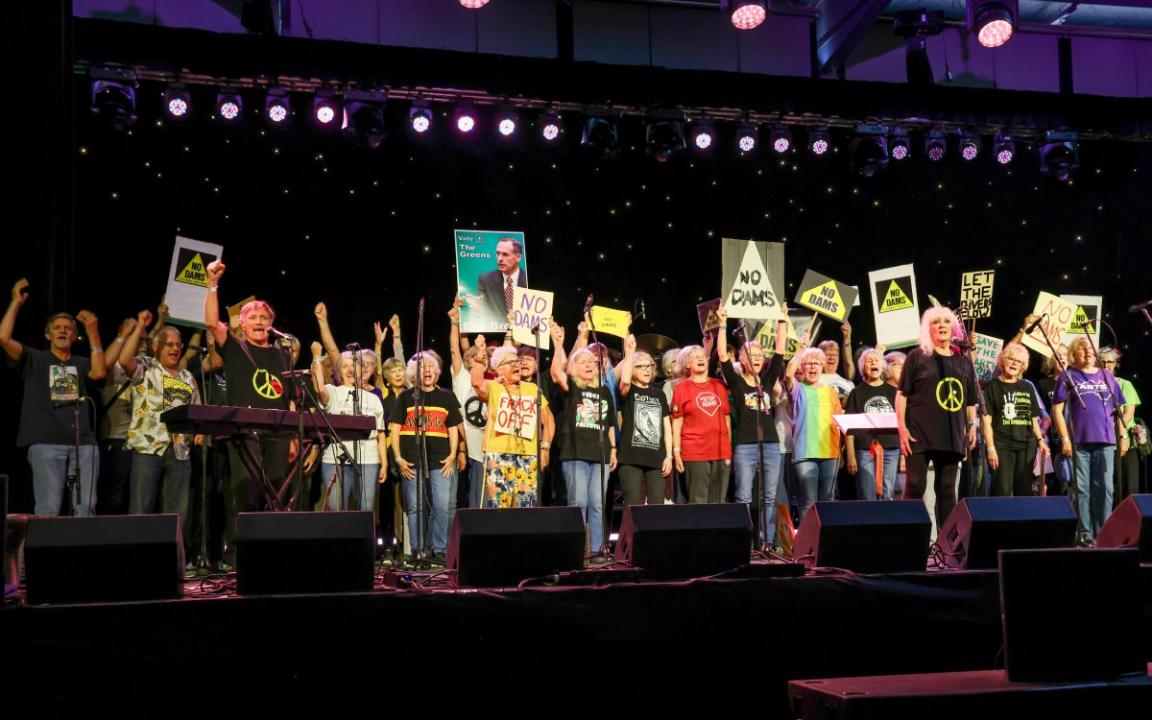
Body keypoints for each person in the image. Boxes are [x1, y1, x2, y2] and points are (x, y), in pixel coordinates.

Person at [203, 261, 295, 563]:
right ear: (242, 324)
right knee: (247, 493)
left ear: (271, 323)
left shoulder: (282, 354)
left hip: (279, 432)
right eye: (253, 317)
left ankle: (271, 553)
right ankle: (241, 555)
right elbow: (212, 323)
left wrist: (294, 437)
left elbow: (289, 397)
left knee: (276, 493)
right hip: (245, 431)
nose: (259, 321)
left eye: (264, 317)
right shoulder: (235, 348)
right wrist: (212, 284)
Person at [1, 277, 106, 516]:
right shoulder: (35, 359)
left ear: (73, 336)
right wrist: (16, 302)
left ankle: (81, 552)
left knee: (86, 508)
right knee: (48, 510)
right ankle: (44, 555)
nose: (62, 330)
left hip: (83, 445)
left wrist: (93, 332)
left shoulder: (80, 363)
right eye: (57, 327)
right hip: (46, 443)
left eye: (68, 328)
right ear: (47, 335)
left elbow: (99, 372)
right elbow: (3, 338)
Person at [897, 306, 979, 528]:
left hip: (951, 433)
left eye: (946, 321)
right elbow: (901, 394)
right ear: (927, 328)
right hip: (919, 432)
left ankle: (947, 547)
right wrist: (902, 429)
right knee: (915, 485)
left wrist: (971, 426)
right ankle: (908, 538)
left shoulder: (963, 360)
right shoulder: (917, 356)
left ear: (953, 327)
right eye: (935, 322)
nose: (941, 325)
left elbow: (969, 400)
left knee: (946, 490)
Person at [119, 312, 202, 532]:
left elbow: (197, 411)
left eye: (178, 345)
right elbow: (123, 360)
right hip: (148, 450)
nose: (175, 349)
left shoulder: (187, 377)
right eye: (168, 344)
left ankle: (174, 561)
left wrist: (197, 433)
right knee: (141, 510)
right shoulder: (145, 368)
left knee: (177, 515)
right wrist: (139, 328)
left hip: (179, 453)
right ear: (156, 348)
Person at [715, 306, 787, 535]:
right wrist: (723, 324)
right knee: (744, 496)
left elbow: (780, 350)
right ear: (743, 360)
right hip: (745, 446)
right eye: (751, 356)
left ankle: (767, 540)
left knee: (769, 496)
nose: (756, 358)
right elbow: (723, 357)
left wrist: (782, 321)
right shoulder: (737, 384)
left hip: (771, 446)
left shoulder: (766, 381)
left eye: (759, 356)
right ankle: (744, 541)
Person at [1052, 336, 1128, 545]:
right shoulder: (1068, 376)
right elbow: (1057, 410)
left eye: (1090, 349)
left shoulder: (1107, 376)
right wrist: (1065, 438)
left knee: (1105, 488)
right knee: (1082, 489)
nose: (1087, 352)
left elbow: (1118, 408)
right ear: (1074, 354)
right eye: (1081, 349)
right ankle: (1086, 535)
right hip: (1079, 441)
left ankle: (1104, 533)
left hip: (1106, 440)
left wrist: (1122, 435)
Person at [551, 321, 616, 559]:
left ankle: (598, 550)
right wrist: (558, 343)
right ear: (574, 367)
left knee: (598, 505)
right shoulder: (571, 388)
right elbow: (557, 372)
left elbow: (608, 423)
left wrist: (614, 449)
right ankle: (576, 550)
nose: (590, 364)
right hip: (575, 454)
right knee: (579, 504)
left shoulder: (604, 391)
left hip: (600, 454)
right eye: (584, 362)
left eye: (592, 362)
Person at [391, 351, 462, 563]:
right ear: (414, 373)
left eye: (431, 367)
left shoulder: (447, 396)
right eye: (422, 368)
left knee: (441, 505)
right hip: (411, 460)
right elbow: (394, 429)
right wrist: (398, 458)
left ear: (438, 372)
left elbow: (453, 430)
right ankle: (417, 550)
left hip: (441, 460)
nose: (428, 371)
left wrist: (452, 455)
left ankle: (439, 549)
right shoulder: (405, 397)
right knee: (415, 507)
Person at [471, 338, 555, 508]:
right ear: (500, 369)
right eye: (511, 362)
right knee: (499, 507)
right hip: (498, 454)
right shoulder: (494, 387)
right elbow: (476, 382)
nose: (518, 365)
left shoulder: (532, 389)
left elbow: (549, 420)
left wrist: (545, 448)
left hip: (528, 454)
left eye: (517, 361)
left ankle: (524, 535)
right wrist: (480, 356)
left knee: (526, 506)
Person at [309, 342, 387, 512]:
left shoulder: (374, 398)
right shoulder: (333, 391)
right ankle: (339, 539)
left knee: (366, 509)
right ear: (340, 372)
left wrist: (384, 463)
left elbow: (381, 433)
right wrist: (316, 356)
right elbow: (318, 388)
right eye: (345, 366)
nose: (350, 369)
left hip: (369, 459)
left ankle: (364, 540)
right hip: (335, 459)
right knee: (336, 508)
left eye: (354, 365)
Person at [982, 343, 1049, 497]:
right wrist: (991, 448)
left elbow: (1033, 419)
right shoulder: (992, 386)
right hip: (1002, 444)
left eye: (1018, 361)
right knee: (1002, 489)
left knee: (1024, 490)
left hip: (1027, 445)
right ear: (1003, 361)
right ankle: (1001, 521)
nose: (1013, 363)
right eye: (1010, 359)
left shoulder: (1027, 387)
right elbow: (986, 421)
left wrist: (1040, 442)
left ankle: (1020, 521)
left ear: (1023, 366)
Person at [785, 346, 843, 522]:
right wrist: (799, 351)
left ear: (823, 366)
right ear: (801, 367)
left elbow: (840, 423)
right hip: (805, 453)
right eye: (808, 363)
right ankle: (807, 546)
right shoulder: (798, 389)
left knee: (827, 501)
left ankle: (825, 543)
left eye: (817, 363)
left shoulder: (831, 392)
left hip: (830, 453)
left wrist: (842, 452)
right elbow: (788, 374)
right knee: (809, 502)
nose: (812, 367)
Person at [671, 344, 732, 504]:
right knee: (698, 502)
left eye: (702, 356)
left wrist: (728, 448)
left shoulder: (719, 386)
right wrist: (676, 452)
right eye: (694, 356)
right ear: (687, 364)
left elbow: (726, 419)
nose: (700, 358)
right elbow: (676, 423)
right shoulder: (681, 388)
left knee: (718, 503)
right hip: (694, 452)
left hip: (720, 451)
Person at [616, 335, 672, 507]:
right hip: (631, 458)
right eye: (641, 367)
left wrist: (668, 456)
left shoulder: (659, 393)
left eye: (649, 366)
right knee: (632, 506)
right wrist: (630, 352)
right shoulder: (629, 390)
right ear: (632, 369)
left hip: (656, 458)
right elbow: (624, 381)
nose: (647, 370)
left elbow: (666, 427)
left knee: (656, 509)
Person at [845, 348, 900, 501]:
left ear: (883, 366)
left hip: (891, 449)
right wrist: (851, 456)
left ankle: (885, 524)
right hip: (864, 451)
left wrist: (903, 456)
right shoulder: (856, 393)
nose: (873, 363)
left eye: (877, 360)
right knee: (866, 494)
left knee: (887, 494)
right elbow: (849, 428)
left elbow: (903, 425)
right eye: (869, 361)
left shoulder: (894, 392)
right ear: (863, 367)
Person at [1100, 348, 1142, 503]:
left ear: (1115, 364)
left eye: (1109, 362)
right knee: (1108, 488)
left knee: (1129, 489)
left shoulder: (1125, 385)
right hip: (1103, 443)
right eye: (1102, 362)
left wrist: (1122, 434)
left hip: (1125, 444)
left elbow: (1128, 414)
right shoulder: (1093, 386)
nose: (1106, 365)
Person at [469, 236, 527, 328]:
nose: (499, 258)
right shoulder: (485, 280)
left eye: (505, 254)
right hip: (497, 337)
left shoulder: (528, 282)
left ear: (518, 257)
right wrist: (475, 308)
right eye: (497, 253)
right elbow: (482, 314)